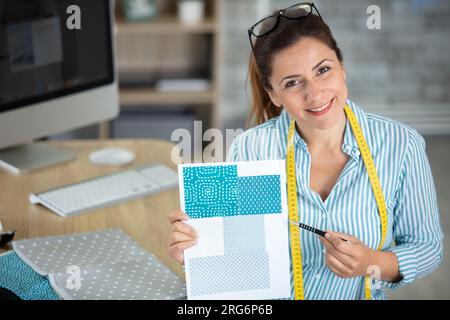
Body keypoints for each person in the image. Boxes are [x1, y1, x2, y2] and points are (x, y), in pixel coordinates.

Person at [167, 2, 444, 299]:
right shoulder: (252, 149)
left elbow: (427, 247)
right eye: (293, 82)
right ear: (274, 95)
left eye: (323, 70)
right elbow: (239, 260)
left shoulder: (401, 145)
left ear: (342, 67)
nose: (314, 93)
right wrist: (199, 253)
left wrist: (373, 262)